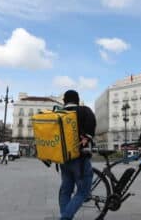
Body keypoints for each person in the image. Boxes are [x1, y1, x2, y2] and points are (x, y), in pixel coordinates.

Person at [58, 90, 96, 220]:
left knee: (66, 191)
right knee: (83, 192)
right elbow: (91, 128)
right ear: (78, 100)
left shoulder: (58, 114)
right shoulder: (85, 111)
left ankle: (65, 215)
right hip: (80, 160)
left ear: (64, 101)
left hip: (63, 159)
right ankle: (65, 218)